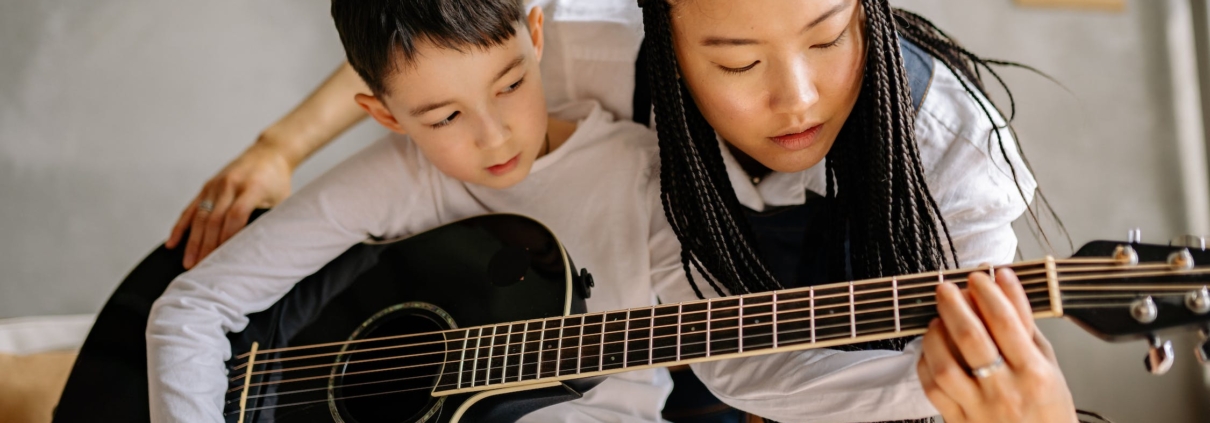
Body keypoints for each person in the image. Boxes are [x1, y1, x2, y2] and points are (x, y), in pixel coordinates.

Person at [146, 1, 987, 421]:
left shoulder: (642, 169)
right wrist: (280, 144)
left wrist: (930, 388)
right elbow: (190, 309)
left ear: (538, 37)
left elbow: (734, 361)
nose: (491, 134)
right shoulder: (403, 177)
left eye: (511, 86)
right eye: (441, 118)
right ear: (385, 116)